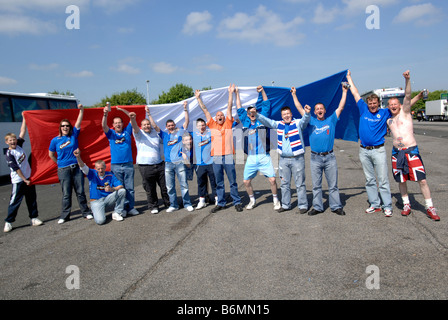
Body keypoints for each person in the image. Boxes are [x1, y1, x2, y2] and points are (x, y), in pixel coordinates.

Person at [387, 70, 440, 221]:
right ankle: (406, 204)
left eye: (395, 104)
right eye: (390, 105)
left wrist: (407, 80)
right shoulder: (389, 120)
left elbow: (408, 96)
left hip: (411, 151)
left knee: (422, 180)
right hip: (397, 153)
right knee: (401, 180)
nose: (393, 106)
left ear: (400, 104)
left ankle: (429, 207)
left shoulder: (405, 113)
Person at [291, 85, 347, 216]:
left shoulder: (331, 120)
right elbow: (300, 109)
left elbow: (341, 107)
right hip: (315, 158)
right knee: (316, 186)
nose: (319, 110)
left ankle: (336, 206)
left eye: (321, 108)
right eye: (317, 109)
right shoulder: (311, 120)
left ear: (325, 110)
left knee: (333, 185)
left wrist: (344, 92)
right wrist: (294, 95)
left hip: (330, 157)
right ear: (315, 112)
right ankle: (317, 207)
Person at [346, 70, 393, 217]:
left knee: (383, 179)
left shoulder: (385, 113)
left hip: (378, 150)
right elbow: (355, 93)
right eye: (370, 103)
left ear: (379, 103)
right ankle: (375, 204)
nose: (372, 105)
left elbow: (404, 106)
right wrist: (349, 77)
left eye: (375, 103)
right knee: (369, 179)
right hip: (364, 150)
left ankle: (387, 205)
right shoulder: (363, 109)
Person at [256, 92, 311, 214]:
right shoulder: (279, 124)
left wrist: (307, 113)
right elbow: (267, 122)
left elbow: (305, 121)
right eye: (284, 114)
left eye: (288, 114)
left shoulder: (297, 123)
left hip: (297, 158)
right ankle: (286, 205)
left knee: (299, 183)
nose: (286, 116)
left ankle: (303, 205)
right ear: (281, 116)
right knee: (284, 183)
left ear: (291, 114)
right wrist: (257, 115)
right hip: (284, 159)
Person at [195, 84, 243, 213]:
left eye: (221, 115)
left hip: (228, 156)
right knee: (219, 182)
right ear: (215, 118)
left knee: (232, 181)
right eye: (218, 115)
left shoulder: (228, 122)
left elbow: (229, 106)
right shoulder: (211, 124)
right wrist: (198, 99)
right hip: (216, 157)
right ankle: (221, 203)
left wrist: (230, 93)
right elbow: (205, 110)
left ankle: (237, 201)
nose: (220, 116)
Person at [237, 85, 281, 211]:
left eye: (254, 112)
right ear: (247, 114)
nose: (252, 113)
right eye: (249, 112)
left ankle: (275, 200)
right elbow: (239, 108)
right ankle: (252, 200)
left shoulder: (261, 120)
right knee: (246, 182)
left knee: (272, 180)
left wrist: (262, 91)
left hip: (263, 156)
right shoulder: (245, 122)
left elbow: (266, 104)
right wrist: (236, 93)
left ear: (256, 112)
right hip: (251, 157)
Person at [120, 106, 170, 214]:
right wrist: (133, 119)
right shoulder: (139, 134)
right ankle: (153, 206)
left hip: (159, 164)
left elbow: (157, 129)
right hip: (145, 166)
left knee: (164, 187)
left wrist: (149, 114)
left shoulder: (156, 134)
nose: (147, 126)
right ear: (141, 126)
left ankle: (168, 203)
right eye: (144, 125)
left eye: (148, 124)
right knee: (150, 188)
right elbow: (134, 127)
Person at [49, 104, 93, 224]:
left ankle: (86, 212)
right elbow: (51, 154)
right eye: (63, 126)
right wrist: (58, 163)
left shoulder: (74, 135)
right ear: (60, 127)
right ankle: (64, 216)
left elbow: (79, 122)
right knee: (66, 194)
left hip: (76, 168)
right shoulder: (55, 140)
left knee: (80, 192)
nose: (65, 127)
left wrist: (82, 110)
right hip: (63, 170)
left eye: (67, 126)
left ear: (70, 127)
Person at [148, 101, 194, 212]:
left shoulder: (180, 132)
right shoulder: (164, 135)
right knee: (170, 187)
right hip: (168, 164)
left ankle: (187, 203)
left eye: (172, 125)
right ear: (166, 127)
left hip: (179, 162)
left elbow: (186, 122)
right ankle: (173, 205)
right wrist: (149, 114)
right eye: (169, 126)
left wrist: (185, 109)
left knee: (184, 185)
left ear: (174, 125)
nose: (171, 127)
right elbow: (154, 126)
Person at [4, 114, 43, 232]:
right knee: (15, 201)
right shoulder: (9, 154)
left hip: (28, 178)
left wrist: (24, 118)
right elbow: (16, 168)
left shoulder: (19, 146)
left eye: (14, 139)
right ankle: (9, 222)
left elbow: (22, 131)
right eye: (10, 140)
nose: (13, 142)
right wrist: (24, 179)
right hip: (19, 180)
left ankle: (34, 218)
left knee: (31, 199)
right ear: (7, 142)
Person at [102, 107, 139, 217]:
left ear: (122, 124)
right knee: (119, 189)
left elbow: (132, 118)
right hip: (116, 166)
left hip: (128, 164)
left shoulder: (127, 132)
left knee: (130, 188)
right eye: (116, 123)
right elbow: (103, 126)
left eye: (119, 123)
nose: (118, 124)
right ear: (113, 125)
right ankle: (120, 208)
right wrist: (105, 114)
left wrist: (123, 110)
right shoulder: (111, 134)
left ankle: (130, 208)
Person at [74, 149, 126, 225]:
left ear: (105, 167)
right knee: (100, 221)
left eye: (102, 168)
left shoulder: (110, 175)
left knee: (122, 191)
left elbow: (120, 186)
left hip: (107, 199)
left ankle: (117, 212)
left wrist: (112, 189)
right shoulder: (92, 173)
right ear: (96, 168)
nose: (101, 170)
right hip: (96, 201)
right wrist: (78, 157)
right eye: (98, 169)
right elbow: (82, 166)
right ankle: (97, 211)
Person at [191, 118, 218, 210]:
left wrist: (235, 123)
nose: (202, 127)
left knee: (214, 182)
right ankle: (201, 201)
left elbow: (223, 129)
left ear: (205, 125)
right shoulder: (193, 134)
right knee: (201, 183)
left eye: (203, 125)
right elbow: (182, 131)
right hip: (199, 164)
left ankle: (217, 199)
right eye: (199, 125)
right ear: (196, 127)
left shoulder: (211, 132)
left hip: (211, 162)